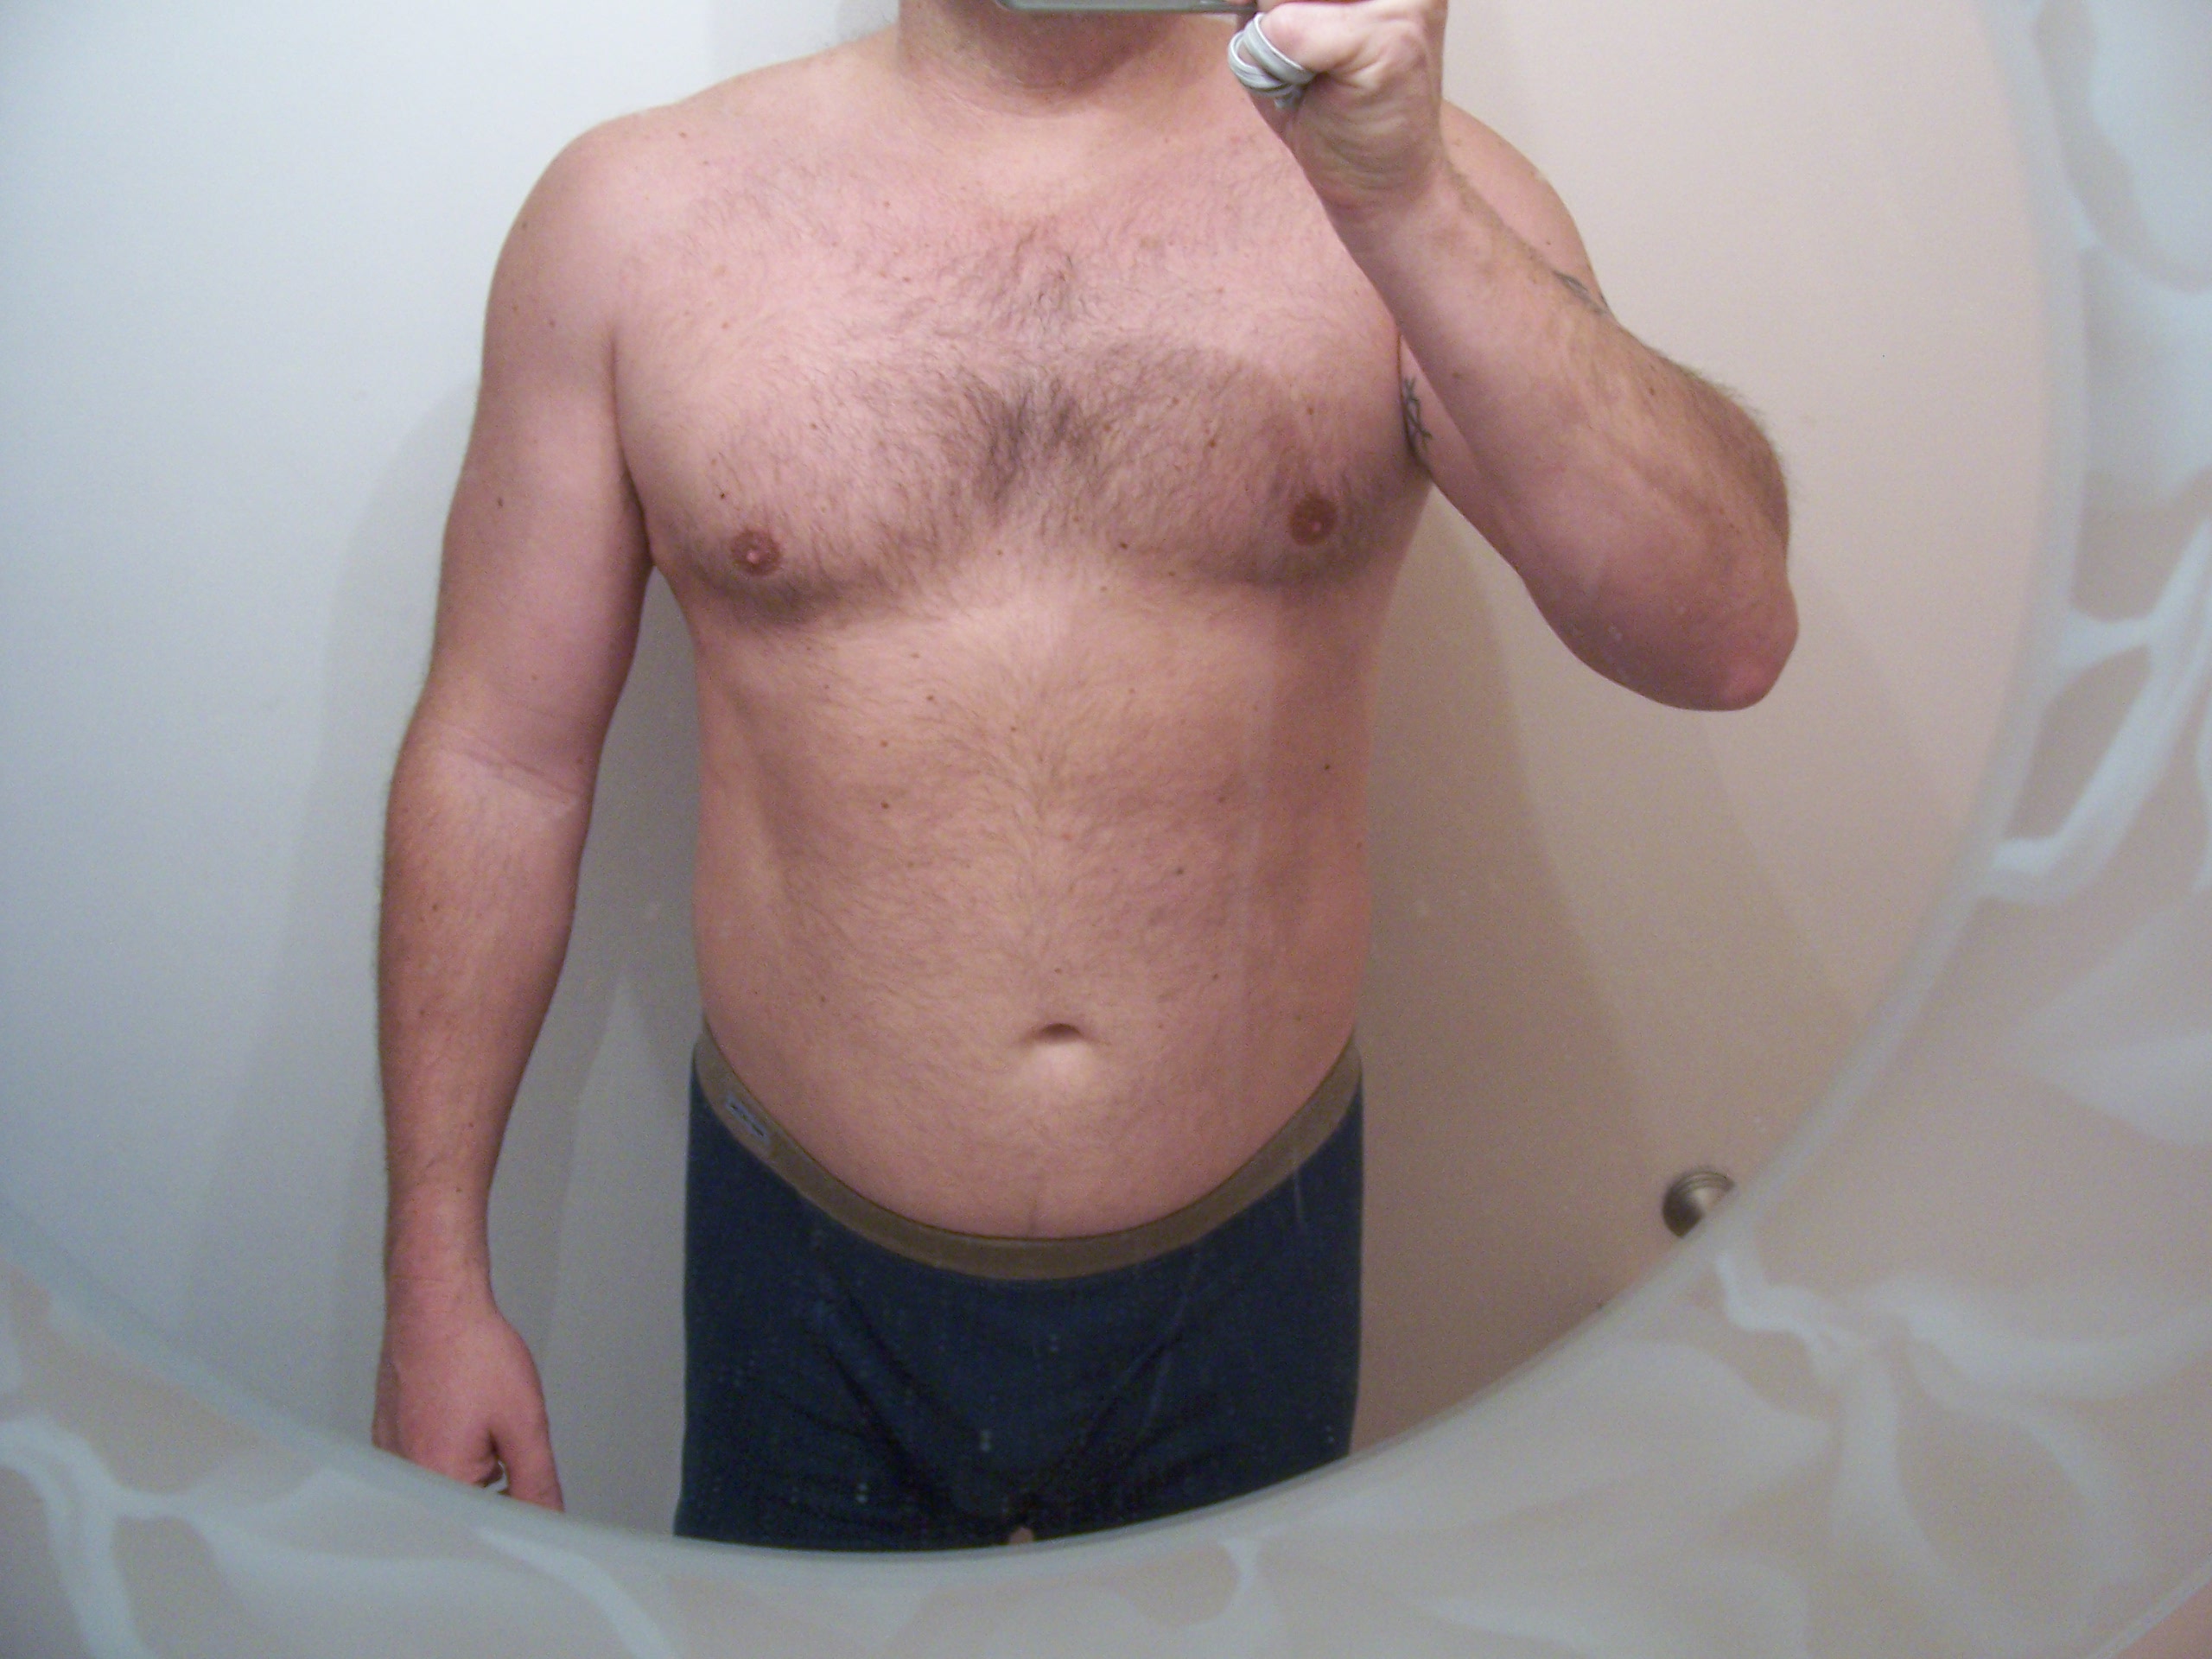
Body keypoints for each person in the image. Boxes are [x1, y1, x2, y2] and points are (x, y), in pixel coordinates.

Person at [371, 0, 1796, 1549]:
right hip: (808, 1265)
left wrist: (1407, 207)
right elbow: (500, 765)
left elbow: (1722, 636)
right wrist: (435, 1279)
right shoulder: (633, 220)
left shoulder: (1405, 187)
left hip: (1249, 1255)